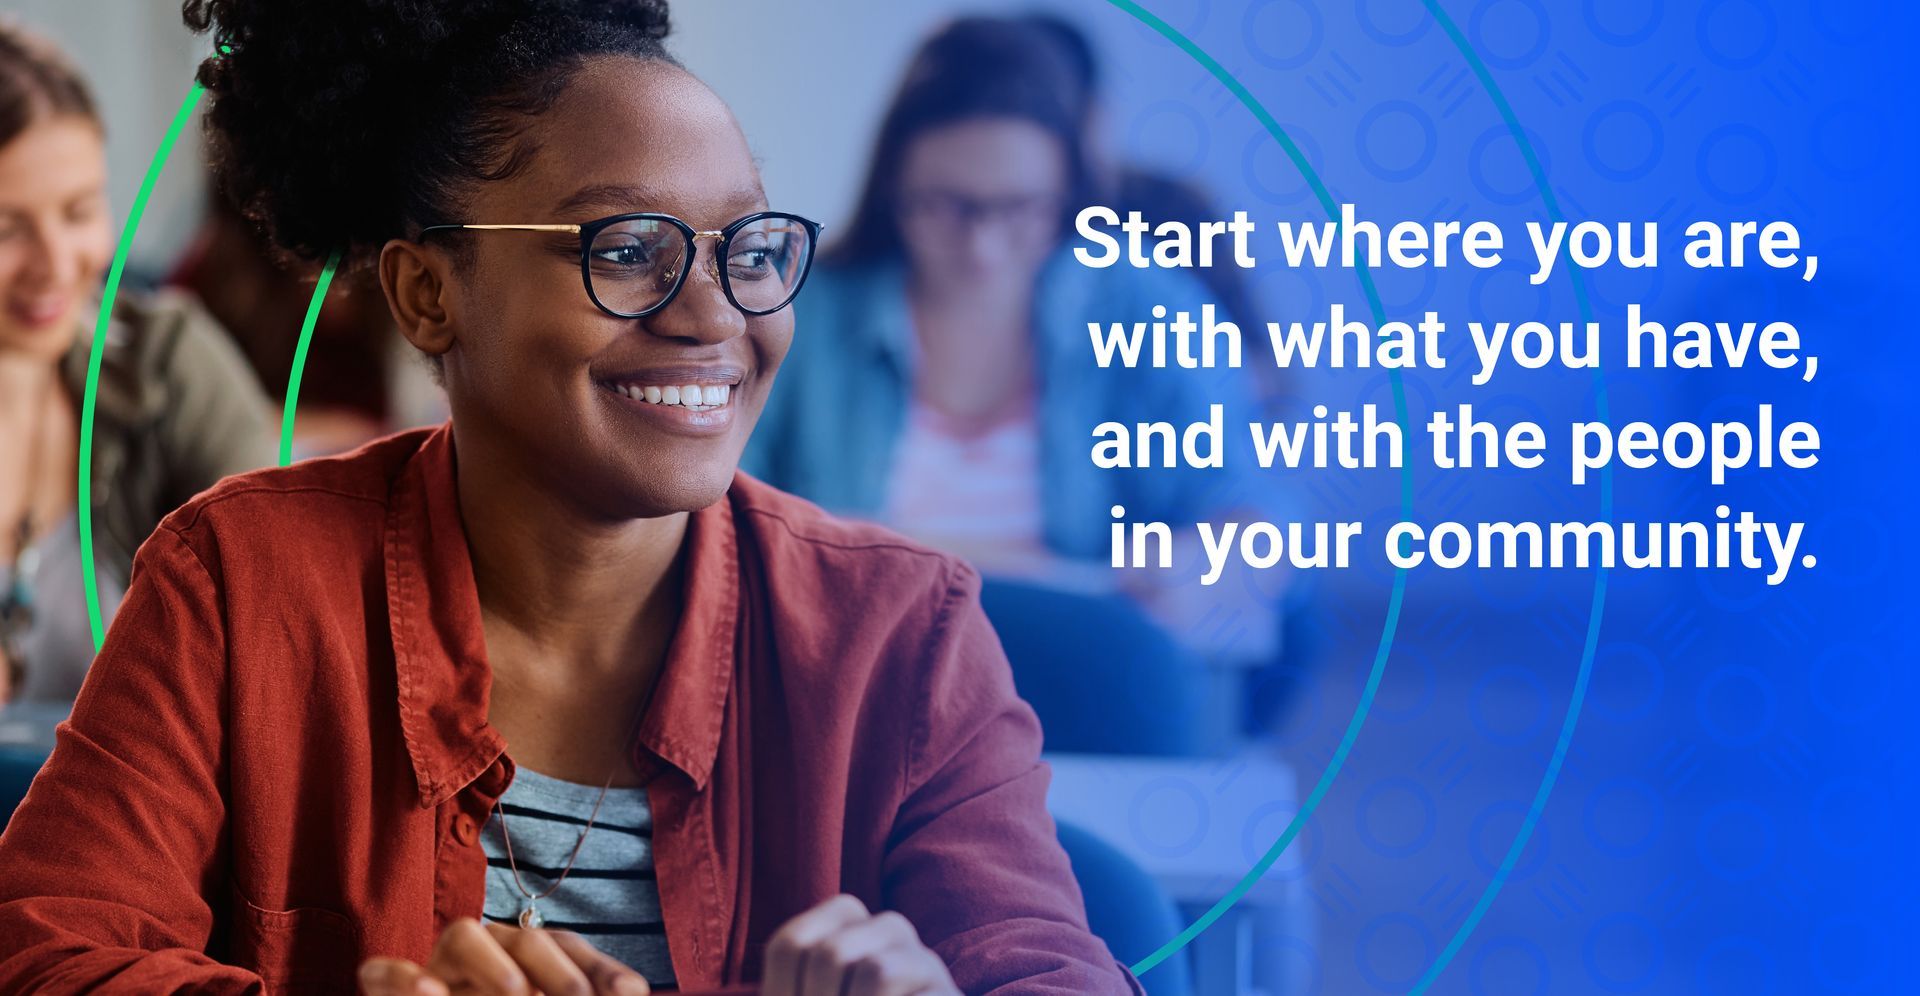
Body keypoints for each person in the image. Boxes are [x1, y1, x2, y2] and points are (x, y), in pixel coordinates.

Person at [0, 2, 1137, 994]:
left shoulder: (905, 634)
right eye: (629, 248)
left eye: (744, 245)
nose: (713, 315)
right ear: (429, 294)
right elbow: (43, 955)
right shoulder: (237, 585)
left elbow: (1047, 969)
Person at [740, 16, 1280, 668]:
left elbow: (1249, 513)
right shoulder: (805, 313)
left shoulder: (1148, 307)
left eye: (1018, 208)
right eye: (947, 205)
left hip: (1085, 671)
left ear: (1068, 197)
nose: (983, 249)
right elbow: (723, 516)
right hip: (850, 670)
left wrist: (1203, 565)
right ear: (893, 190)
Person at [0, 20, 272, 706]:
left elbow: (285, 605)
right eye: (6, 229)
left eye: (80, 211)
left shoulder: (167, 361)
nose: (58, 266)